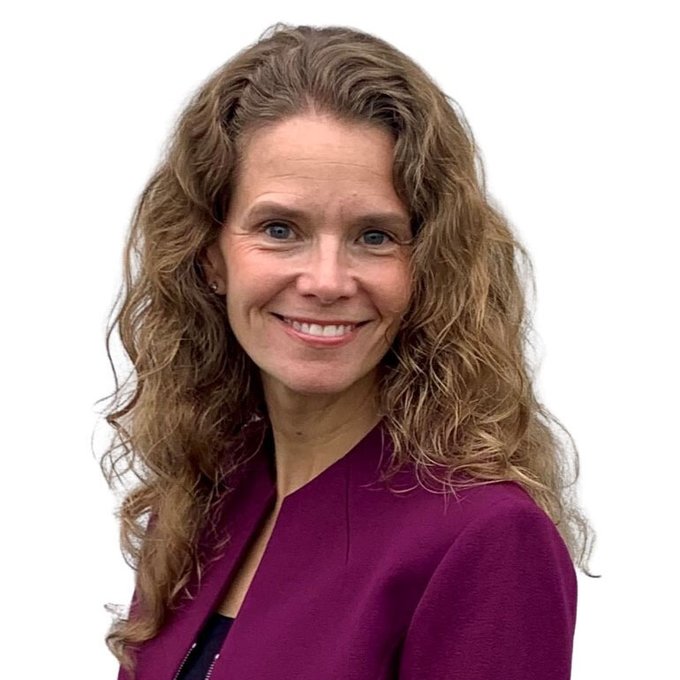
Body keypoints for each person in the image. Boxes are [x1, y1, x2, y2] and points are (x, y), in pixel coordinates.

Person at [101, 23, 597, 680]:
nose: (327, 281)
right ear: (210, 255)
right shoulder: (199, 504)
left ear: (429, 267)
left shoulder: (488, 537)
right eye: (281, 229)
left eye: (375, 236)